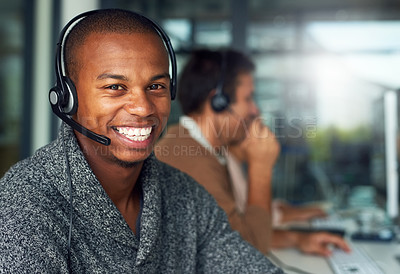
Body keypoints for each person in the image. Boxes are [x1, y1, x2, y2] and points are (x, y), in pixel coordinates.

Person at [0, 9, 283, 273]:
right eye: (115, 87)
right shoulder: (25, 204)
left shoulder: (184, 195)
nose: (144, 108)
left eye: (156, 86)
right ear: (68, 98)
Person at [155, 48, 350, 256]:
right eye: (248, 99)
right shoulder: (190, 161)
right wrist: (261, 167)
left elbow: (235, 233)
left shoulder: (200, 148)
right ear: (218, 102)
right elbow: (248, 251)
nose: (255, 110)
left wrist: (296, 238)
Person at [227, 119, 328, 226]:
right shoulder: (225, 166)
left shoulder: (235, 164)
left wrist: (284, 208)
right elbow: (255, 222)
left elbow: (250, 207)